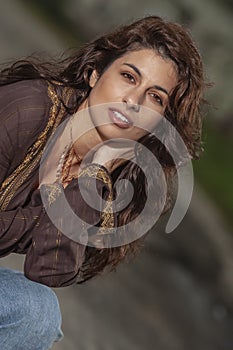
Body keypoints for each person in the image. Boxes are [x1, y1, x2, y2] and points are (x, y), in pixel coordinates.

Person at [0, 15, 205, 349]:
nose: (133, 101)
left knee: (38, 315)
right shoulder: (27, 110)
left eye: (155, 97)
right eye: (128, 77)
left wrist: (91, 176)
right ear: (94, 74)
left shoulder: (108, 178)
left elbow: (48, 271)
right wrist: (39, 218)